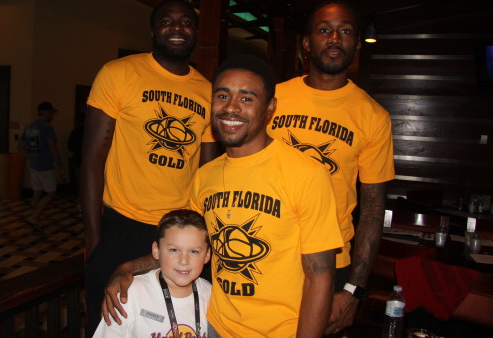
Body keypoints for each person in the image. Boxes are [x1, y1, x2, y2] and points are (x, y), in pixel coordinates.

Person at [100, 55, 344, 337]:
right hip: (214, 325)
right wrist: (128, 267)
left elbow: (321, 276)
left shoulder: (306, 173)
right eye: (223, 96)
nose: (231, 107)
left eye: (247, 98)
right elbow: (185, 248)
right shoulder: (205, 176)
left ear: (270, 108)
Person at [81, 0, 218, 334]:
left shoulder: (208, 92)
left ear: (195, 32)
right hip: (121, 225)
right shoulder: (118, 73)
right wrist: (94, 237)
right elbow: (91, 159)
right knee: (111, 324)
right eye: (166, 21)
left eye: (185, 21)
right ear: (153, 31)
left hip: (180, 233)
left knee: (181, 324)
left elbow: (209, 175)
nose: (176, 27)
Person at [267, 1, 395, 335]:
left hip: (330, 265)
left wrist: (354, 290)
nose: (335, 38)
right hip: (266, 252)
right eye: (325, 30)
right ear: (307, 42)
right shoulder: (271, 100)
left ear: (355, 43)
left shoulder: (373, 117)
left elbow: (372, 210)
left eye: (346, 31)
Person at [93, 209, 212, 338]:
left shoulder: (210, 295)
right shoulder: (131, 293)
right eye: (174, 250)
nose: (184, 261)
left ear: (207, 255)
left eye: (193, 251)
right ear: (156, 250)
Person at [19, 101, 65, 229]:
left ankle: (35, 217)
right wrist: (60, 167)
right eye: (51, 113)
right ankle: (34, 217)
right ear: (46, 112)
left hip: (33, 164)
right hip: (45, 166)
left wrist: (29, 156)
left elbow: (20, 146)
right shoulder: (47, 128)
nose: (52, 116)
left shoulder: (29, 126)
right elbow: (53, 149)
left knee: (37, 192)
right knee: (51, 193)